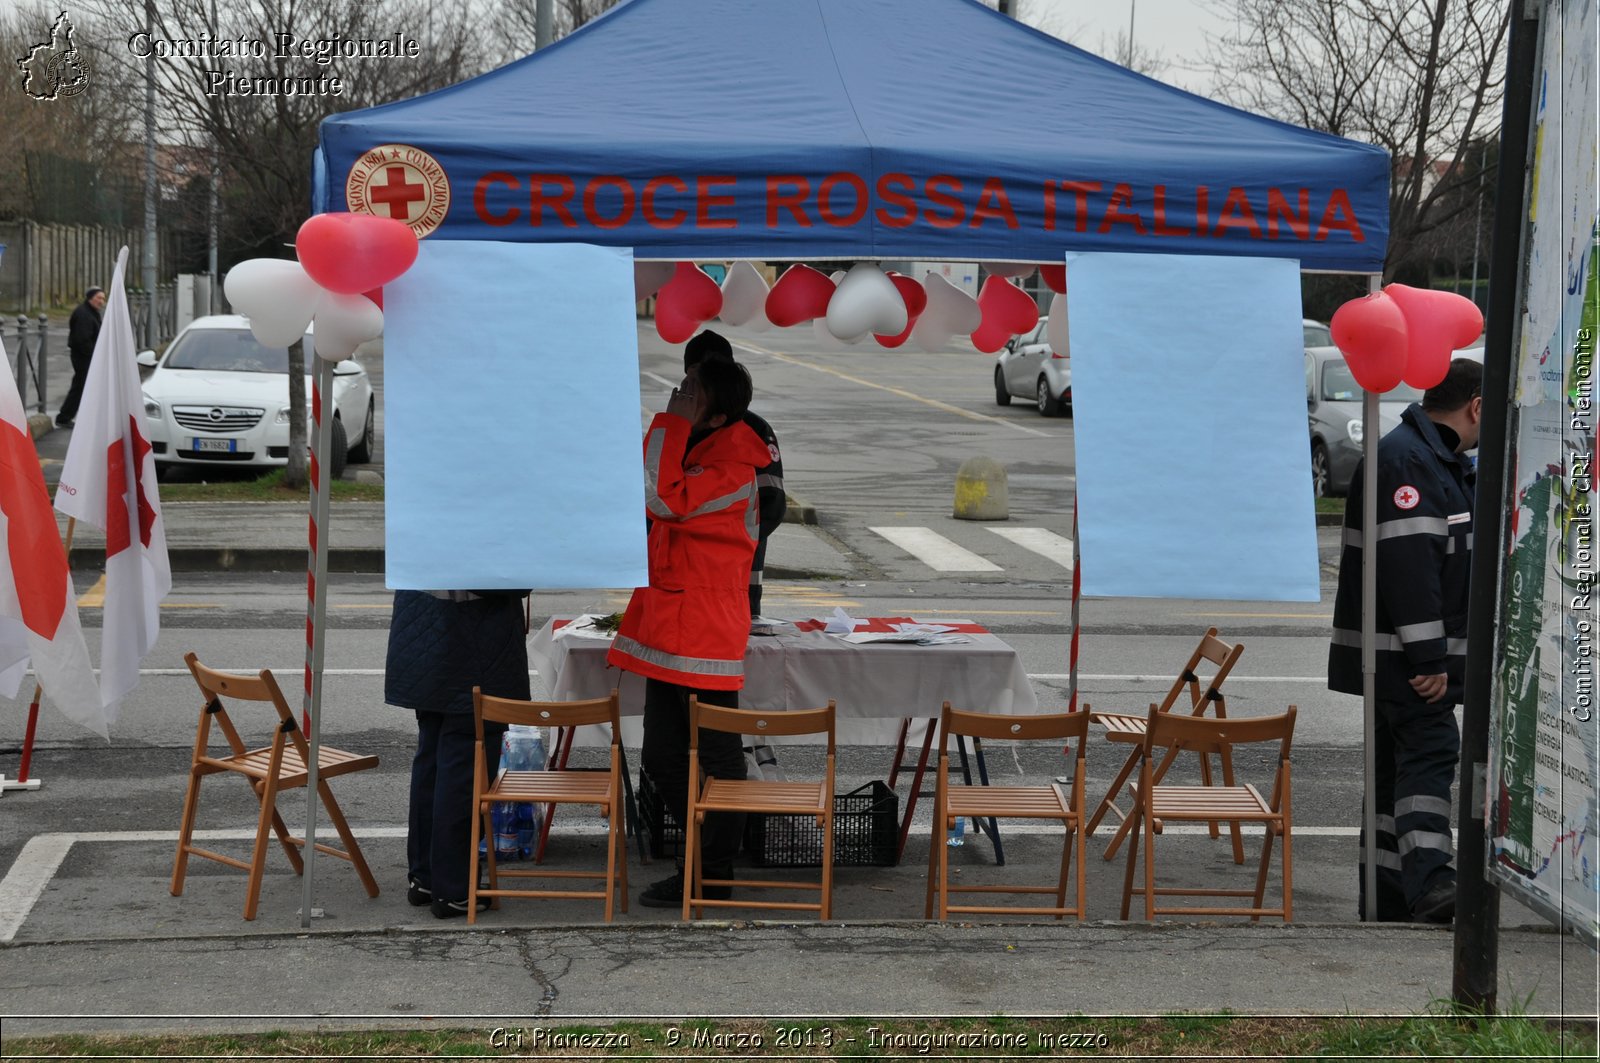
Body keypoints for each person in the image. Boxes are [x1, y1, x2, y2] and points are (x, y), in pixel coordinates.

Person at [607, 355, 770, 908]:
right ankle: (705, 857)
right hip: (670, 633)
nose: (678, 395)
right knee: (662, 759)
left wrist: (668, 422)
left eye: (691, 393)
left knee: (720, 761)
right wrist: (677, 426)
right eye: (681, 387)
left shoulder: (732, 471)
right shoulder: (697, 455)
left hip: (704, 639)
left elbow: (660, 497)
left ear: (718, 416)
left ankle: (713, 870)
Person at [1329, 357, 1482, 925]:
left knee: (1393, 777)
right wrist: (1430, 657)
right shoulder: (1413, 461)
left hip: (1395, 659)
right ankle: (1432, 885)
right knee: (1430, 756)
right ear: (1477, 407)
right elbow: (1409, 568)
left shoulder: (1423, 456)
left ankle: (1388, 897)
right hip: (1409, 663)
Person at [385, 588, 531, 918]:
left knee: (432, 760)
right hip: (473, 645)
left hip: (424, 637)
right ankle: (453, 888)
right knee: (464, 770)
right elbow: (503, 580)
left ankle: (426, 877)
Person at [683, 330, 786, 617]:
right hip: (678, 581)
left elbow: (772, 506)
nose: (696, 384)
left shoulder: (754, 431)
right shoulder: (677, 428)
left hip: (736, 578)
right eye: (693, 373)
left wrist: (721, 552)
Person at [57, 286, 105, 427]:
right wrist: (94, 355)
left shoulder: (91, 312)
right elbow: (82, 339)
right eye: (98, 298)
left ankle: (69, 416)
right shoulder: (84, 314)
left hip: (87, 356)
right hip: (84, 357)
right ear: (90, 298)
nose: (101, 301)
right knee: (81, 386)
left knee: (83, 386)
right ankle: (64, 417)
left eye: (103, 298)